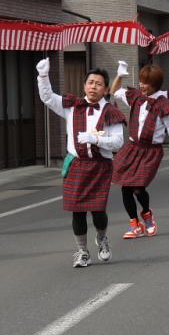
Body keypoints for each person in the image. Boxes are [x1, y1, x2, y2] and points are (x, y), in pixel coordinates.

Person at [36, 58, 126, 268]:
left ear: (105, 89)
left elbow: (118, 142)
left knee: (98, 211)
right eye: (90, 82)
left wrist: (96, 139)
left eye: (99, 84)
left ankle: (102, 239)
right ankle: (82, 251)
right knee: (77, 210)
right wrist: (43, 76)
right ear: (84, 85)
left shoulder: (111, 112)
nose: (93, 86)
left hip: (100, 166)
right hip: (77, 164)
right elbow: (48, 98)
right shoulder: (72, 106)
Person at [111, 61, 169, 239]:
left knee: (138, 188)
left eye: (145, 82)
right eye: (141, 81)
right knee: (125, 187)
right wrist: (120, 75)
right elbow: (114, 91)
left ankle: (147, 215)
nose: (141, 85)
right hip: (132, 147)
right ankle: (134, 223)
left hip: (151, 151)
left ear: (155, 84)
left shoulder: (164, 104)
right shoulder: (136, 96)